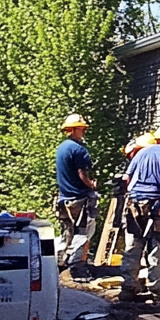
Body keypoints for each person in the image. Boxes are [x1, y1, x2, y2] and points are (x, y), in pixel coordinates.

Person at [119, 122, 160, 302]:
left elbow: (128, 178)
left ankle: (128, 287)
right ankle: (158, 292)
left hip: (135, 204)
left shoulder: (141, 153)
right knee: (158, 245)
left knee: (133, 245)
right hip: (158, 205)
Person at [55, 113, 99, 281]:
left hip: (63, 198)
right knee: (83, 232)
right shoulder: (78, 149)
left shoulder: (62, 148)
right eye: (82, 129)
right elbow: (82, 173)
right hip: (79, 198)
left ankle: (59, 265)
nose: (84, 132)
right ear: (73, 130)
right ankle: (77, 269)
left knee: (66, 232)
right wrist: (91, 184)